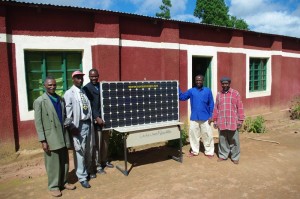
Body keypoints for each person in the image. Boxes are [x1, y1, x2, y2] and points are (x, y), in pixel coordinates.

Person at [33, 76, 76, 197]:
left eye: (54, 85)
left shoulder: (60, 99)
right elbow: (38, 122)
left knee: (64, 161)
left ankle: (64, 182)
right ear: (44, 86)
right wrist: (43, 140)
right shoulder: (40, 101)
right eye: (49, 85)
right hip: (50, 136)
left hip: (62, 134)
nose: (52, 87)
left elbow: (63, 116)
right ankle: (53, 186)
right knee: (53, 163)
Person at [64, 71, 95, 188]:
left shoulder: (83, 92)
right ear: (73, 79)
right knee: (79, 151)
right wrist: (72, 127)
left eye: (81, 78)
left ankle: (87, 171)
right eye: (78, 78)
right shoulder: (69, 93)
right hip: (78, 126)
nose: (80, 80)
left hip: (88, 124)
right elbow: (68, 114)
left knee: (88, 149)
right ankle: (81, 177)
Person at [83, 68, 114, 174]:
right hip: (96, 121)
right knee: (97, 144)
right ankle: (98, 165)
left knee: (105, 143)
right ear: (89, 76)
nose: (94, 78)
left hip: (105, 120)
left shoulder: (102, 86)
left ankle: (105, 161)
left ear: (98, 76)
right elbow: (89, 106)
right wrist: (96, 117)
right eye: (92, 76)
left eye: (95, 76)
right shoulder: (86, 89)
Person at [179, 75, 215, 158]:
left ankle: (209, 152)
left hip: (206, 117)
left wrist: (211, 115)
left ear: (203, 81)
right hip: (194, 117)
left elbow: (211, 104)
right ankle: (194, 151)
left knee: (207, 135)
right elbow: (182, 97)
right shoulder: (191, 91)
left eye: (200, 80)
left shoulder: (208, 91)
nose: (198, 82)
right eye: (197, 80)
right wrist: (177, 87)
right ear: (195, 81)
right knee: (194, 135)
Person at [212, 77, 245, 165]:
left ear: (229, 83)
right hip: (221, 121)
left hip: (233, 121)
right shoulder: (219, 94)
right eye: (223, 83)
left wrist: (240, 121)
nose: (224, 85)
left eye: (226, 83)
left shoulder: (235, 93)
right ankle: (223, 155)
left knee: (234, 140)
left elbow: (240, 107)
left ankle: (235, 157)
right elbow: (216, 108)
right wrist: (215, 121)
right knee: (222, 140)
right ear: (221, 84)